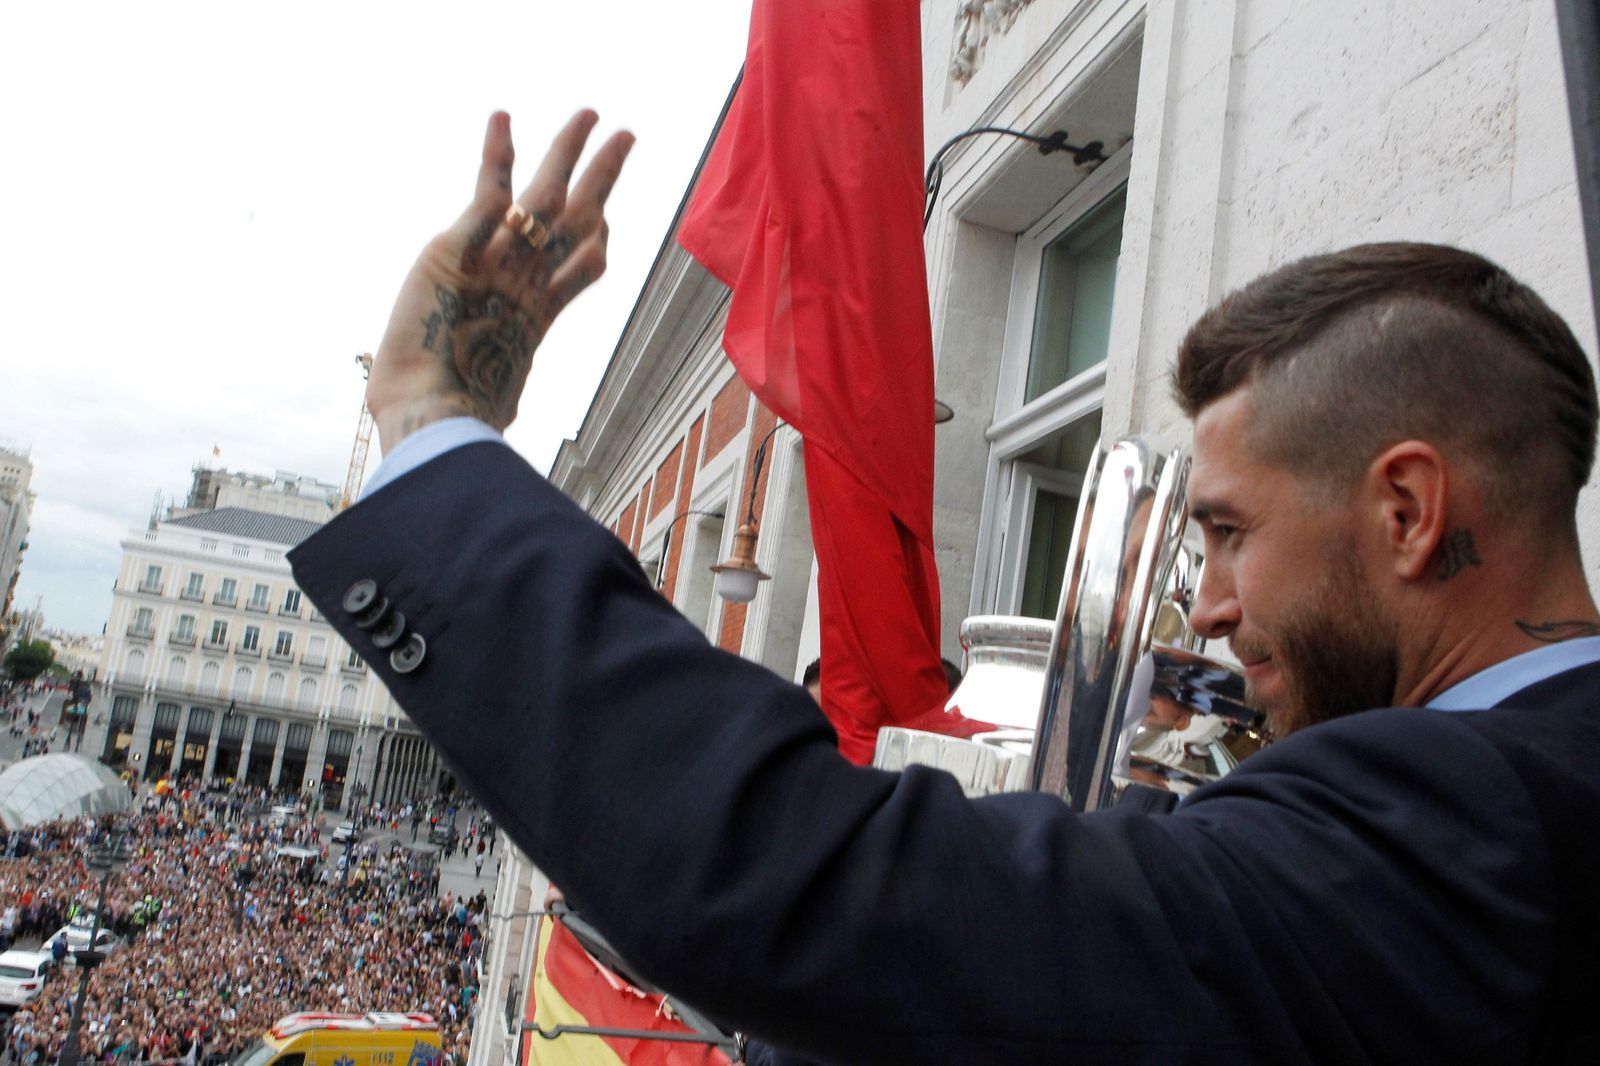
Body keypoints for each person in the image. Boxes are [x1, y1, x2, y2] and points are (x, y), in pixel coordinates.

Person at [287, 109, 1600, 1063]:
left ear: (1409, 511)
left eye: (1226, 533)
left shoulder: (1460, 822)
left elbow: (809, 881)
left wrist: (433, 433)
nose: (1201, 604)